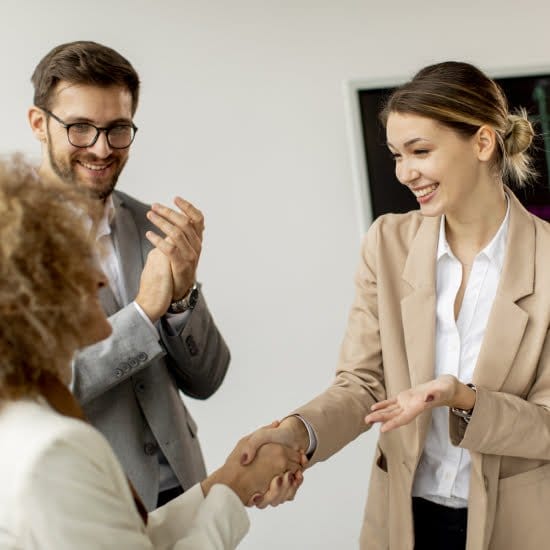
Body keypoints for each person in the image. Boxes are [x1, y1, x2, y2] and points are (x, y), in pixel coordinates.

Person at [241, 61, 550, 549]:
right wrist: (296, 438)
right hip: (404, 518)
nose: (406, 173)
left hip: (518, 526)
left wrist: (462, 398)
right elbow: (362, 383)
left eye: (420, 151)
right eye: (396, 156)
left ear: (483, 143)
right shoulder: (388, 242)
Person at [0, 157, 304, 549]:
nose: (101, 277)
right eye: (80, 263)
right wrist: (236, 489)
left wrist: (228, 482)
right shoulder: (53, 451)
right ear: (37, 298)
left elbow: (128, 537)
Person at [27, 40, 231, 510]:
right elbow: (32, 390)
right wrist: (144, 313)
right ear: (39, 123)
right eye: (80, 128)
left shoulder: (151, 225)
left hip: (185, 490)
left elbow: (209, 379)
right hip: (84, 504)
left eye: (118, 128)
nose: (101, 149)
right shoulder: (11, 242)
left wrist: (181, 300)